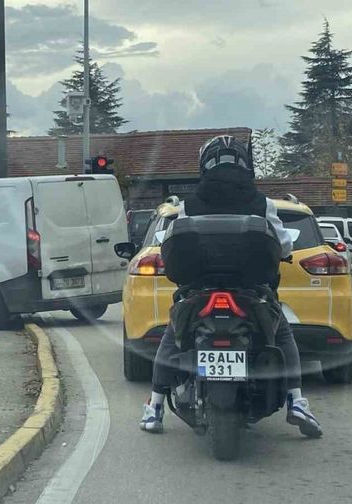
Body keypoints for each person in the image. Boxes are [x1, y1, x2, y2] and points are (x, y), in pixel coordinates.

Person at [139, 135, 322, 438]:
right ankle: (296, 400)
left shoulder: (190, 204)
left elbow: (176, 242)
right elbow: (284, 245)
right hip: (251, 290)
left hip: (199, 290)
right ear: (245, 165)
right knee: (283, 333)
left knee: (173, 333)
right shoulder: (261, 203)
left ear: (204, 165)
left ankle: (155, 406)